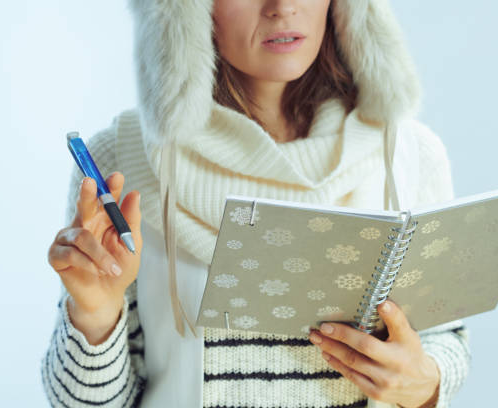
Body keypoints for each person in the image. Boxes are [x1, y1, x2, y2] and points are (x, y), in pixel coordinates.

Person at [42, 0, 471, 407]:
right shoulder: (123, 162)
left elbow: (445, 340)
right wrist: (94, 314)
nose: (281, 7)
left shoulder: (406, 155)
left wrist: (425, 383)